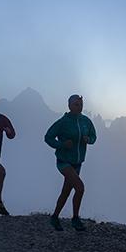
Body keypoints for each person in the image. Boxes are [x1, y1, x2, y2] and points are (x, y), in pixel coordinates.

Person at [44, 94, 96, 231]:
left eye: (81, 104)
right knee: (80, 188)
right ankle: (75, 219)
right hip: (63, 161)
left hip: (78, 162)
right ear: (69, 106)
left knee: (66, 191)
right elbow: (48, 137)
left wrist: (88, 140)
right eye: (76, 104)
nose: (79, 107)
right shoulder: (63, 122)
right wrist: (61, 144)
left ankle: (54, 217)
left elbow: (93, 136)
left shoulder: (86, 121)